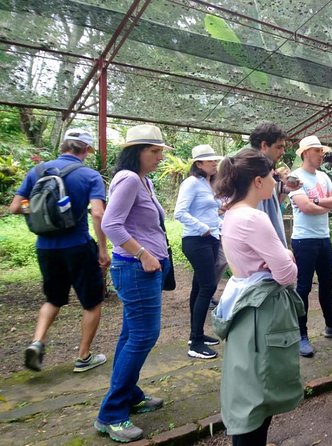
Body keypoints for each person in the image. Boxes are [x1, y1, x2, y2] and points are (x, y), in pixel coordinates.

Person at [212, 148, 303, 446]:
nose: (276, 181)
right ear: (257, 181)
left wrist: (280, 260)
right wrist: (288, 255)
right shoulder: (255, 218)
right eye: (272, 176)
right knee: (257, 398)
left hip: (243, 307)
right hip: (261, 313)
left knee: (247, 393)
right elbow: (287, 275)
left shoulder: (232, 213)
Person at [94, 125, 173, 443]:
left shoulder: (144, 180)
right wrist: (143, 254)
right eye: (153, 151)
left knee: (131, 336)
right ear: (135, 151)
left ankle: (131, 395)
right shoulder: (128, 179)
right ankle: (111, 415)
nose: (159, 157)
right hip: (136, 269)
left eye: (159, 152)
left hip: (146, 268)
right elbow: (110, 223)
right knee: (143, 336)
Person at [9, 129, 110, 373]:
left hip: (45, 247)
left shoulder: (37, 171)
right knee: (92, 302)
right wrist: (103, 249)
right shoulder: (89, 175)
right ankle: (84, 357)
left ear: (64, 145)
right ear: (87, 150)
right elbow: (97, 212)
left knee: (53, 299)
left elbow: (15, 207)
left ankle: (38, 340)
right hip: (77, 246)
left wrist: (44, 209)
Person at [288, 135, 332, 358]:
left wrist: (316, 202)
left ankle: (331, 326)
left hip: (323, 238)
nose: (321, 154)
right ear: (305, 153)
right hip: (304, 240)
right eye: (317, 151)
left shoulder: (323, 176)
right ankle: (300, 334)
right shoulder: (294, 177)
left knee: (328, 282)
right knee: (303, 287)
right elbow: (304, 208)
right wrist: (323, 204)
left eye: (321, 151)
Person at [174, 144, 224, 359]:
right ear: (198, 163)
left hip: (211, 239)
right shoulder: (191, 183)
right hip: (196, 240)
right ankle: (195, 343)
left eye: (215, 159)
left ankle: (197, 335)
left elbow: (212, 212)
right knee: (208, 286)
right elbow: (179, 213)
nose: (214, 163)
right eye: (210, 160)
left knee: (199, 287)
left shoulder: (207, 183)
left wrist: (219, 224)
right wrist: (203, 228)